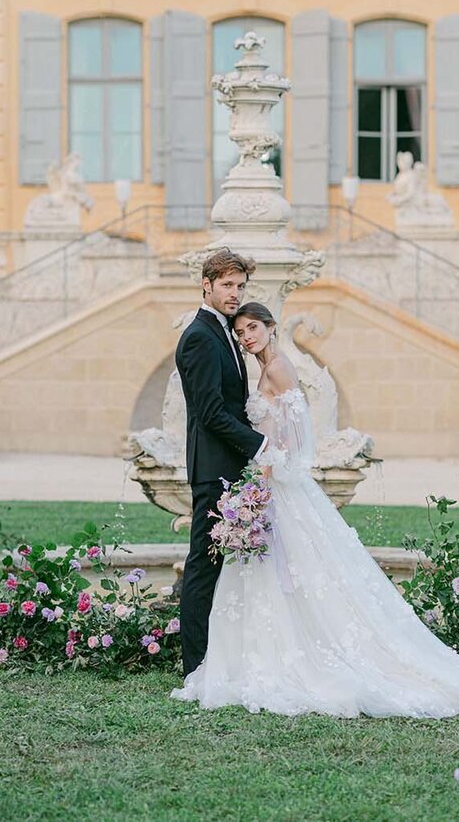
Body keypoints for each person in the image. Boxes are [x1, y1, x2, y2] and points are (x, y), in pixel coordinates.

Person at [172, 301, 459, 717]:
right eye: (241, 331)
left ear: (270, 327)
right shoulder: (263, 367)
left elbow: (295, 439)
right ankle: (261, 655)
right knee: (281, 575)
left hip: (275, 483)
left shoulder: (279, 368)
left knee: (290, 574)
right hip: (267, 483)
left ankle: (289, 658)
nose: (246, 337)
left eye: (252, 329)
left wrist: (264, 477)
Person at [173, 248, 269, 676]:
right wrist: (260, 445)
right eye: (227, 285)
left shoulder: (223, 333)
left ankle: (227, 654)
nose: (235, 293)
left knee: (222, 566)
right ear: (206, 285)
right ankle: (195, 665)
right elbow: (210, 411)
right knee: (203, 565)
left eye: (240, 286)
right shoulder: (199, 336)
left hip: (230, 467)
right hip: (213, 468)